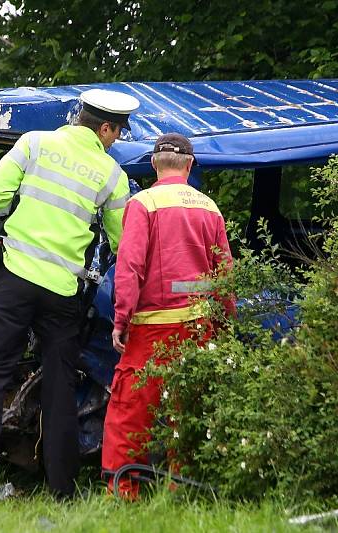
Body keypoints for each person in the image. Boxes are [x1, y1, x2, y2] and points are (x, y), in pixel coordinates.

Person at [0, 89, 140, 498]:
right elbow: (121, 239)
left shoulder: (34, 142)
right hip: (63, 292)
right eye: (116, 132)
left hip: (14, 277)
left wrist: (9, 217)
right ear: (106, 127)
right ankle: (62, 486)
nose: (115, 140)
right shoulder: (112, 175)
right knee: (60, 384)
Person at [102, 133, 233, 499]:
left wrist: (121, 318)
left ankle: (122, 490)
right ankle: (182, 489)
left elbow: (129, 265)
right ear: (189, 165)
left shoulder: (143, 203)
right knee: (188, 408)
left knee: (130, 410)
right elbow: (225, 270)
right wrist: (224, 321)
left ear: (155, 163)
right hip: (200, 326)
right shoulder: (209, 207)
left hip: (152, 327)